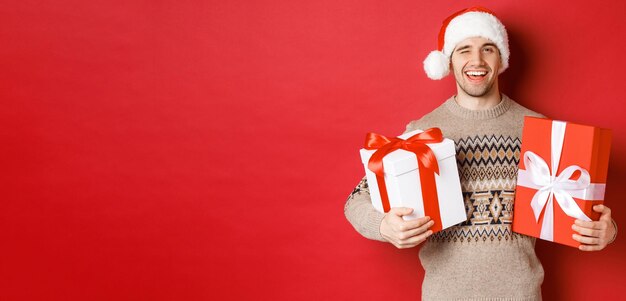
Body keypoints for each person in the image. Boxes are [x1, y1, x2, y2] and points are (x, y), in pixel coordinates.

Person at [344, 6, 618, 301]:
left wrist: (607, 230)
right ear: (448, 60)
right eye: (464, 50)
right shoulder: (423, 131)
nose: (476, 60)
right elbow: (356, 200)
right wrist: (384, 226)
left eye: (488, 48)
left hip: (520, 295)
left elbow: (582, 213)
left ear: (501, 58)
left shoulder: (540, 130)